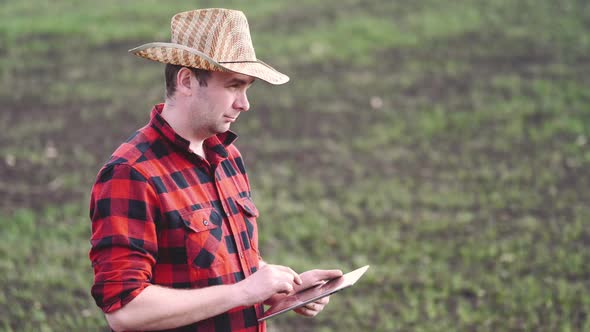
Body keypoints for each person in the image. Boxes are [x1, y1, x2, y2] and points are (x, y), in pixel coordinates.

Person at [88, 8, 342, 332]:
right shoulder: (131, 174)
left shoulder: (227, 156)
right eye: (234, 86)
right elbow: (125, 311)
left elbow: (223, 260)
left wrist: (283, 289)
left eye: (247, 88)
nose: (244, 103)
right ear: (187, 80)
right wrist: (243, 292)